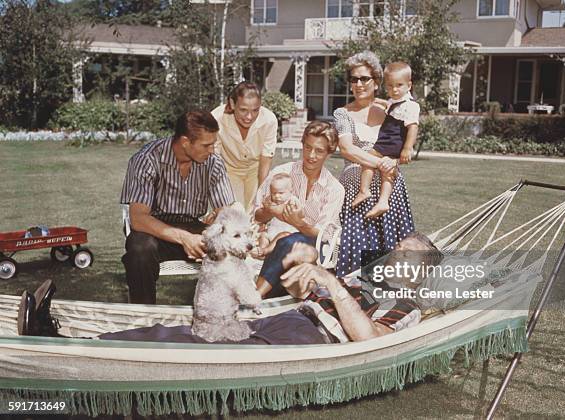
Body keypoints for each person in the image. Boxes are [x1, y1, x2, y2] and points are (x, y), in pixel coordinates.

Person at [17, 232, 442, 344]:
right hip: (289, 319)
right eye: (396, 251)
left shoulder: (404, 303)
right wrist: (305, 281)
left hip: (304, 338)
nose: (394, 259)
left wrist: (330, 281)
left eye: (406, 257)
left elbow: (369, 337)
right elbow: (307, 298)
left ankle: (72, 344)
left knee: (194, 344)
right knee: (185, 331)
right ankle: (73, 337)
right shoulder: (361, 282)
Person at [120, 110, 235, 304]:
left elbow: (226, 211)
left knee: (230, 245)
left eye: (213, 144)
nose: (212, 151)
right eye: (206, 145)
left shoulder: (213, 163)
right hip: (154, 228)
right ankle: (143, 316)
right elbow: (138, 218)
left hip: (193, 225)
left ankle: (221, 312)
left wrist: (221, 226)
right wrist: (184, 238)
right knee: (140, 250)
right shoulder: (146, 159)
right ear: (185, 142)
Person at [333, 51, 416, 278]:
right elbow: (347, 149)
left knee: (395, 251)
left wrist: (395, 160)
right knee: (359, 248)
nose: (359, 84)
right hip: (356, 188)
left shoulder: (392, 108)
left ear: (377, 81)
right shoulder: (342, 114)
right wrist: (382, 163)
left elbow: (403, 139)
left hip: (390, 190)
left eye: (364, 79)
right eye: (354, 79)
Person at [251, 120, 345, 298]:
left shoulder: (334, 189)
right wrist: (270, 211)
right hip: (276, 241)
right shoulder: (281, 173)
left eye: (319, 151)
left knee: (288, 242)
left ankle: (256, 296)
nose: (311, 155)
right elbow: (257, 214)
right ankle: (267, 299)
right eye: (308, 147)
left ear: (329, 153)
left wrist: (298, 224)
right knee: (284, 243)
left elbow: (323, 235)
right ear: (302, 144)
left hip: (313, 245)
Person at [352, 62, 420, 218]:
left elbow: (413, 127)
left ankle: (364, 190)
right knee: (387, 170)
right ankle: (383, 201)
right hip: (390, 140)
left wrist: (407, 148)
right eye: (390, 86)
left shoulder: (411, 106)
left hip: (392, 140)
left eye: (399, 85)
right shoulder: (396, 102)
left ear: (409, 85)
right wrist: (380, 102)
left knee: (368, 158)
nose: (394, 90)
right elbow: (390, 106)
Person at [211, 82, 278, 212]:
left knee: (254, 214)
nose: (249, 117)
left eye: (255, 110)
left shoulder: (269, 120)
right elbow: (214, 159)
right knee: (235, 213)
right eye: (243, 110)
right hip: (229, 170)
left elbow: (265, 161)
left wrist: (261, 195)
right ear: (232, 103)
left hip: (256, 169)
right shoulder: (216, 118)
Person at [253, 173, 300, 258]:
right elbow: (264, 212)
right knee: (263, 235)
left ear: (291, 191)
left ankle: (266, 251)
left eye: (281, 193)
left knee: (283, 235)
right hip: (272, 231)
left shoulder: (293, 201)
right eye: (274, 193)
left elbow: (301, 213)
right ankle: (261, 250)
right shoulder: (271, 201)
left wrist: (295, 210)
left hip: (286, 232)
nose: (277, 196)